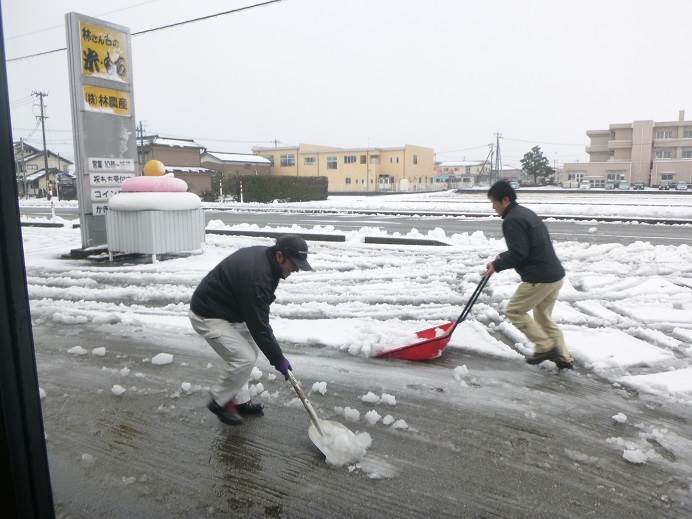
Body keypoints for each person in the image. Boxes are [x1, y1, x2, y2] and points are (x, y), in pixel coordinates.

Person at [189, 234, 313, 425]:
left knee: (250, 353)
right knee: (243, 357)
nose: (296, 269)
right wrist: (278, 359)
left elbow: (257, 313)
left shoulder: (268, 261)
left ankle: (240, 402)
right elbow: (259, 325)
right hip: (208, 314)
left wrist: (276, 357)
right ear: (280, 256)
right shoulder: (258, 276)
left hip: (230, 311)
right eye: (294, 264)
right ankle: (219, 401)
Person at [483, 180, 574, 369]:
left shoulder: (512, 220)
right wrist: (499, 260)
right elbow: (526, 247)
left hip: (539, 277)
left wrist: (497, 265)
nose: (493, 207)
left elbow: (519, 253)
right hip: (554, 275)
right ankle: (563, 357)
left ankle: (545, 346)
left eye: (494, 202)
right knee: (543, 317)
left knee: (514, 311)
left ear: (505, 200)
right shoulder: (524, 213)